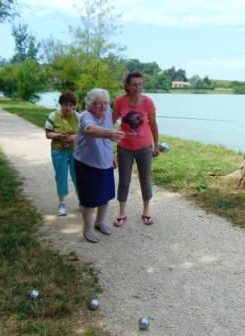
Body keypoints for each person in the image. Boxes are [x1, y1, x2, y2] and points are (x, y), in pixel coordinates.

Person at [74, 88, 125, 243]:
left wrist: (112, 156)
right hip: (87, 163)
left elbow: (108, 140)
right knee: (89, 199)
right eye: (97, 103)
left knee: (105, 195)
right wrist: (109, 134)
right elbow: (90, 129)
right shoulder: (85, 116)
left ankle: (100, 222)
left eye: (105, 103)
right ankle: (88, 228)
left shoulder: (108, 114)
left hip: (104, 162)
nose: (102, 106)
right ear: (90, 104)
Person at [112, 71, 160, 227]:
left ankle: (146, 211)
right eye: (134, 84)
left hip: (144, 147)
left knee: (145, 179)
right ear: (127, 85)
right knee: (124, 180)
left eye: (140, 84)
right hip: (124, 147)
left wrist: (156, 144)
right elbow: (110, 123)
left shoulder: (148, 102)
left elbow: (153, 125)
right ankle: (121, 212)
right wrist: (107, 147)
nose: (137, 87)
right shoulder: (120, 101)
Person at [45, 92, 79, 216]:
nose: (68, 108)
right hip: (58, 151)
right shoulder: (53, 116)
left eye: (71, 105)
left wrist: (73, 137)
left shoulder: (77, 116)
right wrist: (59, 135)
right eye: (66, 105)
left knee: (77, 176)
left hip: (74, 151)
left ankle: (81, 200)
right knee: (61, 176)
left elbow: (83, 133)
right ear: (61, 104)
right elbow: (48, 134)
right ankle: (62, 204)